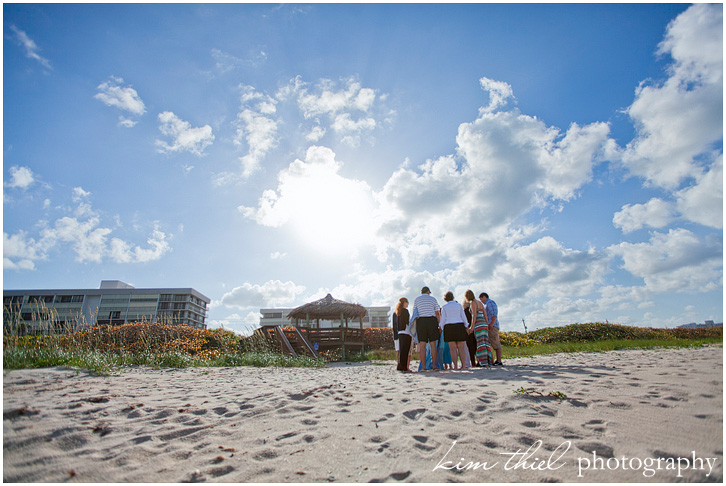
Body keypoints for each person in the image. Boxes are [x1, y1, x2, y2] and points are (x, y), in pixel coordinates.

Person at [413, 286, 441, 371]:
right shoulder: (433, 299)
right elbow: (437, 312)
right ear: (428, 291)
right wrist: (439, 324)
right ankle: (434, 365)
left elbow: (415, 312)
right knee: (433, 345)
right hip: (431, 321)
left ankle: (424, 367)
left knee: (422, 345)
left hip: (421, 321)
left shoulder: (417, 299)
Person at [440, 291, 469, 370]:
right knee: (461, 348)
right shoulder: (459, 305)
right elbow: (463, 316)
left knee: (452, 349)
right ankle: (463, 366)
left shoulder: (444, 307)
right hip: (459, 325)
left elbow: (443, 319)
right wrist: (466, 325)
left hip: (449, 327)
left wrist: (441, 327)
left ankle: (455, 366)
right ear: (453, 297)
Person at [465, 289, 492, 367]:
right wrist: (487, 324)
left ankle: (483, 362)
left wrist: (471, 327)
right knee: (486, 343)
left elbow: (474, 315)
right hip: (484, 323)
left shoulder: (473, 303)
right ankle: (488, 360)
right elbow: (485, 314)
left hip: (478, 325)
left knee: (480, 343)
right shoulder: (480, 303)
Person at [480, 292, 503, 366]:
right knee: (491, 343)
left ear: (484, 297)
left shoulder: (490, 303)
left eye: (481, 298)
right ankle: (495, 360)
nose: (481, 300)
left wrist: (491, 324)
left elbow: (494, 314)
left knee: (496, 343)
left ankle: (499, 360)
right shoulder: (486, 304)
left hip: (492, 326)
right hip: (489, 325)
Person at [394, 297, 412, 372]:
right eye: (407, 302)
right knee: (405, 350)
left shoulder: (398, 311)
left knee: (402, 351)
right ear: (404, 303)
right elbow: (408, 322)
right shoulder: (405, 311)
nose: (408, 304)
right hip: (406, 332)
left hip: (400, 332)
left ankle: (400, 366)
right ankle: (404, 367)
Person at [463, 300, 479, 367]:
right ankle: (478, 361)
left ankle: (473, 363)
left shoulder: (464, 312)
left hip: (468, 330)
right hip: (474, 328)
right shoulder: (472, 311)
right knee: (476, 345)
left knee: (470, 347)